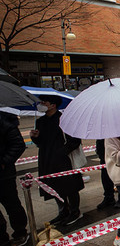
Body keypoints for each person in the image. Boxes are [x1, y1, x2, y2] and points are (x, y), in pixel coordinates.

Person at [30, 95, 84, 226]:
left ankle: (75, 211)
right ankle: (63, 211)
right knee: (53, 186)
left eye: (44, 101)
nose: (42, 104)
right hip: (47, 158)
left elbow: (75, 140)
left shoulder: (64, 120)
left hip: (64, 160)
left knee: (69, 186)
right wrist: (35, 137)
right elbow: (40, 142)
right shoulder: (41, 121)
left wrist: (62, 152)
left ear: (53, 105)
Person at [0, 110, 29, 246]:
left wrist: (4, 161)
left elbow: (18, 144)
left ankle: (20, 232)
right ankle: (2, 238)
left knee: (12, 204)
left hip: (4, 175)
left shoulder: (4, 121)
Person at [95, 139, 117, 209]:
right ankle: (108, 196)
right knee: (105, 176)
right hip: (103, 152)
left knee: (118, 174)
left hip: (115, 149)